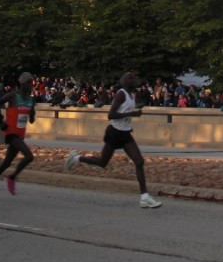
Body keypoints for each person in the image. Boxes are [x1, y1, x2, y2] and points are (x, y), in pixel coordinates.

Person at [63, 71, 161, 209]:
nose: (134, 79)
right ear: (125, 81)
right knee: (102, 162)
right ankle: (76, 158)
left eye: (134, 77)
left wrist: (136, 108)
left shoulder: (132, 94)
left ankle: (144, 197)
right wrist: (131, 113)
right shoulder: (121, 93)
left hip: (126, 134)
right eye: (131, 78)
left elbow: (126, 110)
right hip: (115, 133)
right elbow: (111, 115)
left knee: (139, 161)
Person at [0, 72, 37, 196]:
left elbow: (31, 119)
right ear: (22, 83)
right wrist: (0, 121)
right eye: (29, 83)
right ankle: (12, 177)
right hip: (11, 133)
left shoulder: (31, 100)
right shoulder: (13, 96)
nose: (31, 85)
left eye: (32, 83)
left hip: (20, 134)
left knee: (6, 163)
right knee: (29, 156)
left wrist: (31, 115)